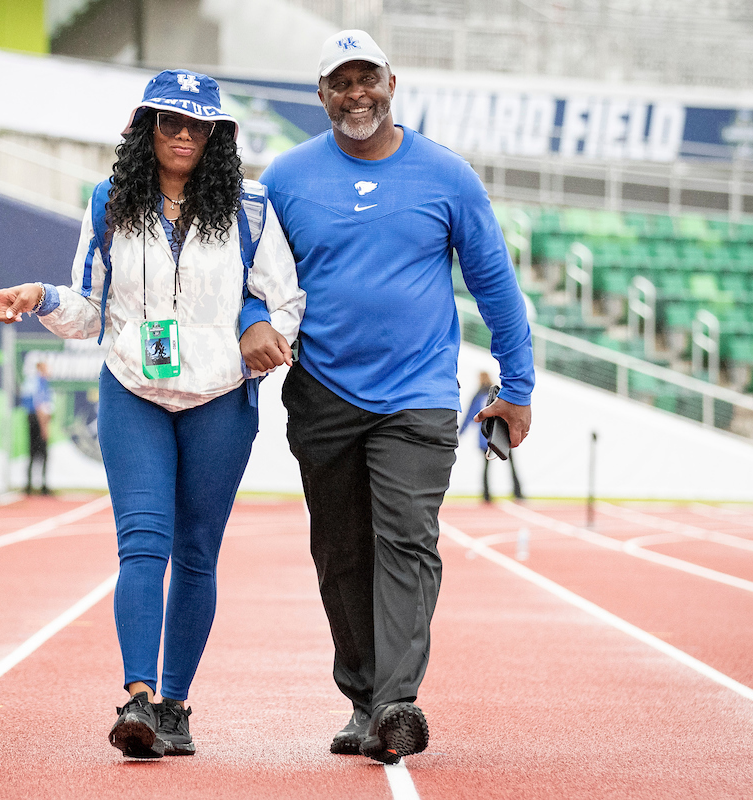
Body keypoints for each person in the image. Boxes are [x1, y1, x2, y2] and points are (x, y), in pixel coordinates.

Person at [0, 70, 304, 760]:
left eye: (196, 125)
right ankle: (139, 699)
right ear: (146, 127)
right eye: (169, 121)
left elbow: (284, 297)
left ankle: (176, 706)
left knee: (198, 554)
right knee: (141, 543)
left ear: (216, 135)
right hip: (133, 392)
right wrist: (42, 297)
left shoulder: (251, 206)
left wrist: (262, 330)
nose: (182, 135)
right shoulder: (110, 201)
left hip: (220, 399)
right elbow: (92, 308)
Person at [241, 30, 534, 764]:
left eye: (366, 78)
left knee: (406, 541)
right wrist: (251, 324)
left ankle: (397, 702)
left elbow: (494, 283)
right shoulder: (286, 179)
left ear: (391, 83)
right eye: (340, 83)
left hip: (417, 398)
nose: (355, 94)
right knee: (341, 553)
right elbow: (250, 281)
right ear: (321, 96)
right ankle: (363, 698)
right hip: (323, 392)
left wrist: (518, 385)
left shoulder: (447, 175)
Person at [461, 371, 524, 503]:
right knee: (510, 464)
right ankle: (518, 492)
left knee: (486, 467)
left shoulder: (478, 395)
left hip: (485, 437)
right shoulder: (497, 394)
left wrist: (460, 433)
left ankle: (486, 495)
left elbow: (470, 416)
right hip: (501, 434)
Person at [20, 360, 52, 495]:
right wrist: (44, 427)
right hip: (36, 419)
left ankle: (31, 485)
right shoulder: (38, 383)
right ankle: (39, 486)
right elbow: (39, 405)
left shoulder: (37, 382)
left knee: (35, 453)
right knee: (39, 452)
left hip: (35, 418)